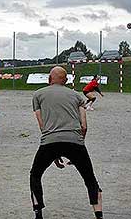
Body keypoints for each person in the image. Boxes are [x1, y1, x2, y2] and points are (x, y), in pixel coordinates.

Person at [30, 66, 103, 219]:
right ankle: (99, 214)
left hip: (49, 141)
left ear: (50, 79)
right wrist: (79, 144)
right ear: (66, 80)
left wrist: (53, 150)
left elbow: (42, 124)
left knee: (35, 175)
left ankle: (38, 212)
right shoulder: (77, 97)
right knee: (90, 178)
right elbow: (84, 125)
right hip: (74, 140)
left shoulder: (38, 95)